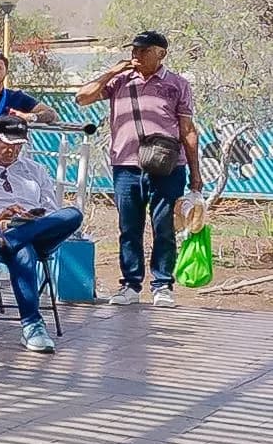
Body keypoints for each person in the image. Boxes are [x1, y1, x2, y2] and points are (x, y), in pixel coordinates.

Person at [77, 29, 201, 306]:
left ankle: (162, 285)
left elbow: (188, 130)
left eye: (144, 50)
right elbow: (82, 98)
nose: (137, 55)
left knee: (164, 226)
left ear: (161, 54)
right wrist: (111, 72)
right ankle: (130, 285)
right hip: (126, 165)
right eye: (134, 49)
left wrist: (196, 173)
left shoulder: (177, 85)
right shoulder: (119, 81)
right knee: (129, 227)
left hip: (167, 165)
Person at [0, 115, 84, 353]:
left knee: (73, 213)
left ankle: (0, 243)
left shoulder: (36, 170)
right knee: (23, 251)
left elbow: (52, 211)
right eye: (6, 144)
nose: (12, 150)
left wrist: (32, 218)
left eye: (18, 145)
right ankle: (32, 324)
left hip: (31, 230)